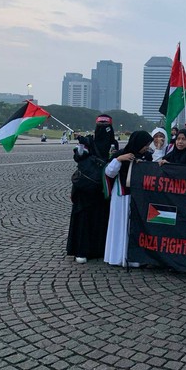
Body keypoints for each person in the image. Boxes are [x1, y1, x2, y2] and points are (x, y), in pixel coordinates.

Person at [67, 114, 118, 264]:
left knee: (101, 217)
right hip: (86, 187)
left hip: (103, 187)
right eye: (100, 126)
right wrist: (82, 146)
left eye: (105, 126)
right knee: (84, 217)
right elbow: (78, 157)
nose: (103, 130)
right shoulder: (89, 140)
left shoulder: (113, 143)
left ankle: (100, 249)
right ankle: (82, 250)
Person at [104, 130, 154, 267]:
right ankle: (117, 256)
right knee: (120, 225)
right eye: (145, 144)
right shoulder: (121, 154)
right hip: (121, 197)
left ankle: (134, 258)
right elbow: (109, 172)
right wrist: (119, 159)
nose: (146, 147)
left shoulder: (147, 156)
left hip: (138, 197)